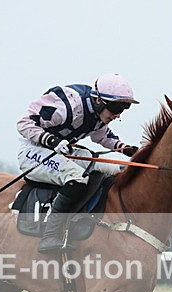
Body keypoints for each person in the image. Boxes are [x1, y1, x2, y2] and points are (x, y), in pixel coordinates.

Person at [16, 73, 140, 253]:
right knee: (77, 177)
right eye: (115, 107)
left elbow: (102, 136)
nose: (118, 114)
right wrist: (51, 140)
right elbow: (23, 123)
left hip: (62, 152)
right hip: (33, 151)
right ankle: (50, 235)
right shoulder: (66, 106)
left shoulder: (98, 113)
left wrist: (124, 148)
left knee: (114, 169)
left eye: (124, 108)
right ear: (98, 100)